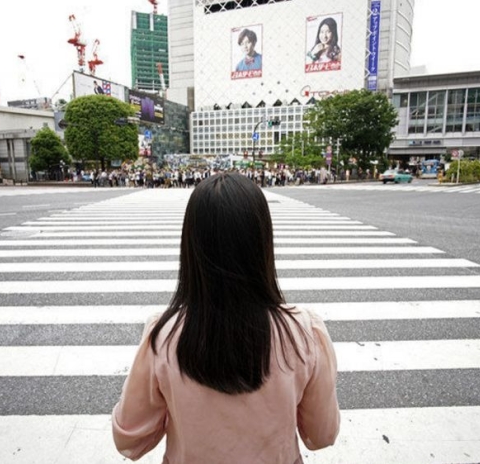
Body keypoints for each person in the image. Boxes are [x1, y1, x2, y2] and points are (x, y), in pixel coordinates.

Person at [112, 173, 340, 463]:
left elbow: (129, 437)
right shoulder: (304, 333)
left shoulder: (165, 335)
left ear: (191, 245)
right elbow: (322, 435)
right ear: (262, 242)